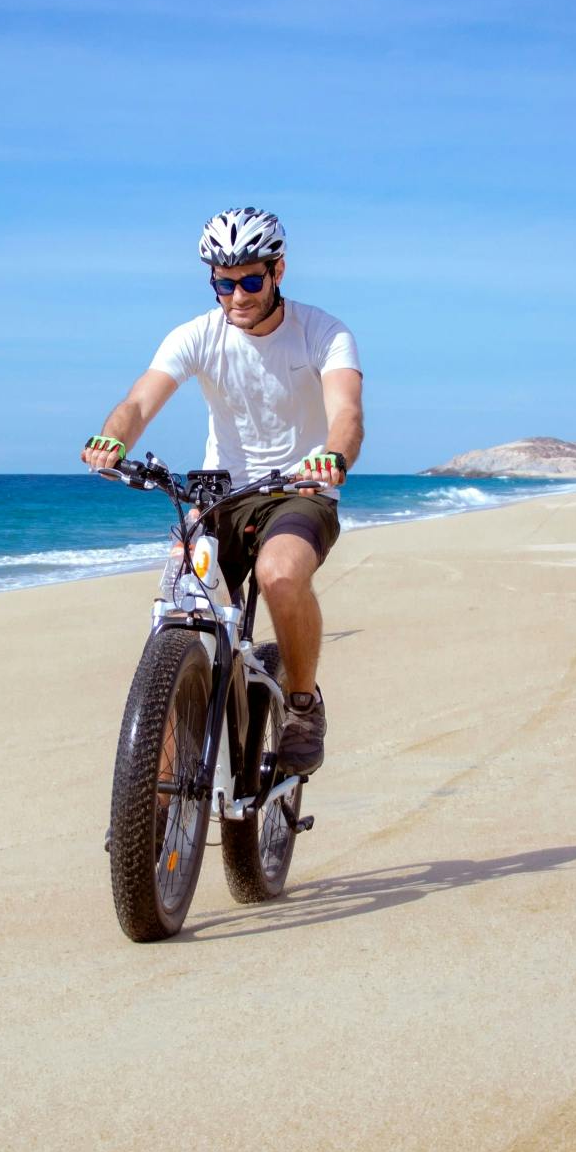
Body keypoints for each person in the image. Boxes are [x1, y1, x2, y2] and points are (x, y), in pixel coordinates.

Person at [81, 208, 364, 775]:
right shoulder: (196, 335)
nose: (236, 295)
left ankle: (303, 706)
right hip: (221, 496)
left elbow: (347, 414)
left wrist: (334, 455)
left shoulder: (323, 333)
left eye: (251, 280)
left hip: (299, 488)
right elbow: (139, 401)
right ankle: (150, 809)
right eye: (224, 282)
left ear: (278, 271)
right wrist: (110, 438)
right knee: (181, 613)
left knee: (280, 575)